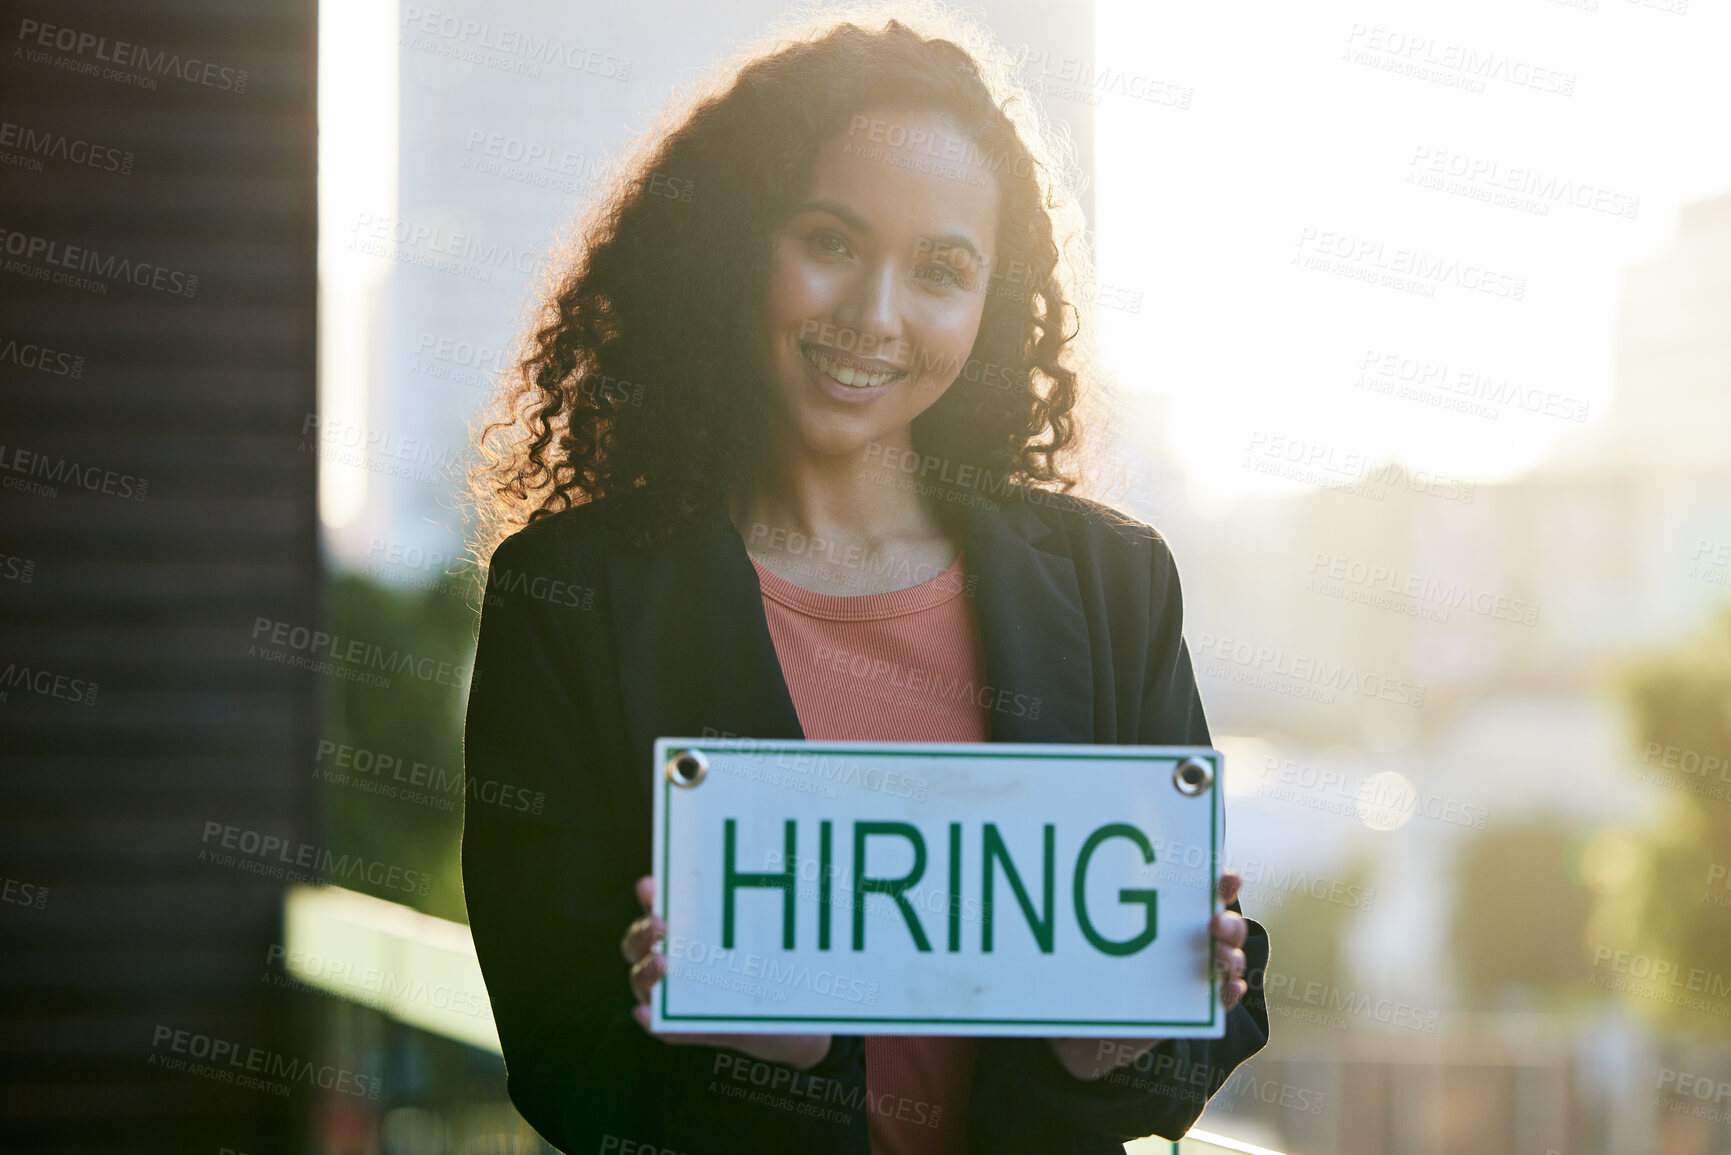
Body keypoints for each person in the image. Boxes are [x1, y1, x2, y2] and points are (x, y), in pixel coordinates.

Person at [461, 10, 1269, 1154]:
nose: (875, 316)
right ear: (739, 241)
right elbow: (557, 1059)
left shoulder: (1111, 583)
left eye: (941, 270)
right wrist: (766, 1049)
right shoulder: (569, 597)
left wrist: (1113, 1046)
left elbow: (1192, 1021)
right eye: (831, 241)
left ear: (990, 305)